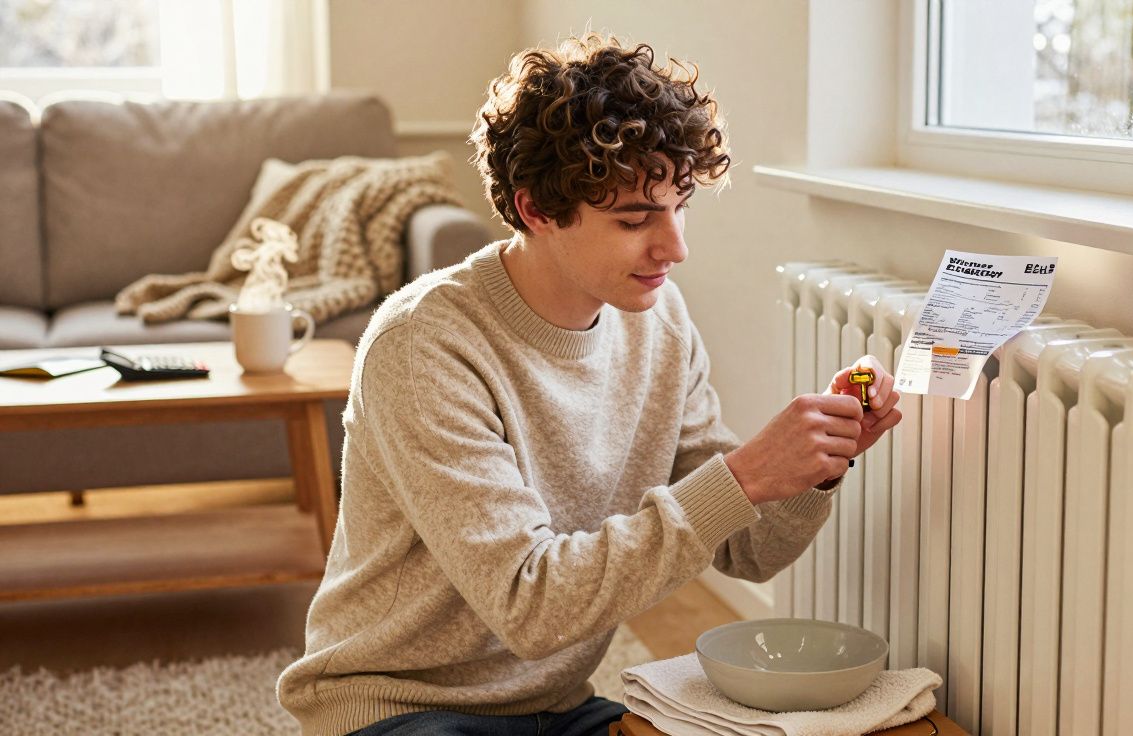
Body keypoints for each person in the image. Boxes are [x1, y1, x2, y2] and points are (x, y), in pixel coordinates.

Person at [277, 33, 902, 736]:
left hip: (556, 707)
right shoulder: (422, 346)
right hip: (398, 706)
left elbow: (745, 552)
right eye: (635, 219)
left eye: (679, 206)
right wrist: (746, 473)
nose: (675, 247)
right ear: (537, 211)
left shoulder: (658, 321)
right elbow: (530, 605)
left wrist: (816, 461)